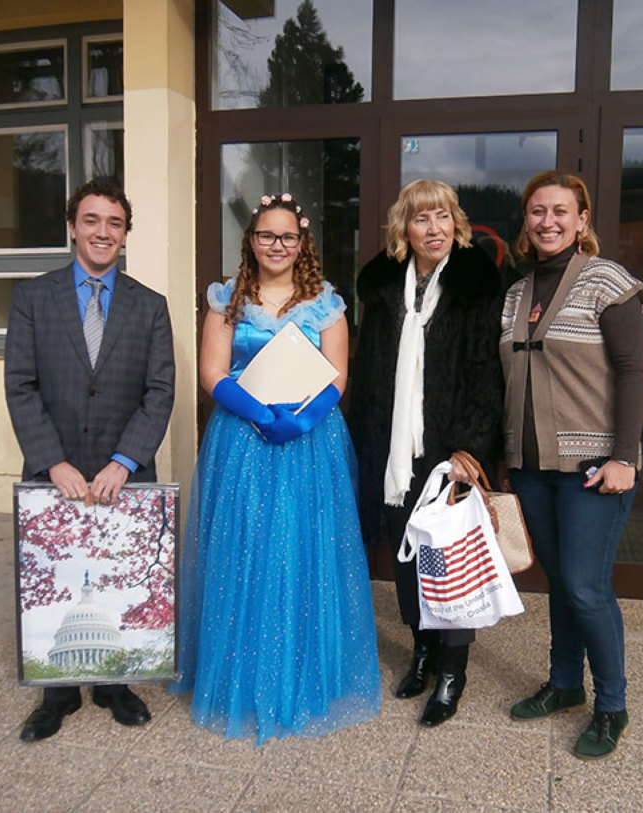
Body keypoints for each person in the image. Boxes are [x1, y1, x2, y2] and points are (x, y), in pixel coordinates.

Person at [170, 193, 381, 745]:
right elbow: (212, 373)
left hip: (310, 440)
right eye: (267, 235)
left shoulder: (326, 303)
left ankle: (304, 672)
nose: (277, 245)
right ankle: (241, 675)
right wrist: (260, 414)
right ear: (252, 241)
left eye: (288, 236)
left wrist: (301, 418)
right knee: (246, 548)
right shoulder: (227, 299)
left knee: (304, 547)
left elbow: (338, 375)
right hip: (243, 437)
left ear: (302, 242)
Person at [5, 179, 176, 742]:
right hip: (54, 471)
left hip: (124, 473)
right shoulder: (33, 298)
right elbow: (21, 385)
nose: (103, 232)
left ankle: (114, 685)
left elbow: (160, 391)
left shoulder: (150, 306)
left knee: (117, 578)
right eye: (92, 220)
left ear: (125, 235)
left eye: (115, 223)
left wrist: (125, 460)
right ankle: (56, 696)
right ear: (72, 228)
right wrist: (51, 461)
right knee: (58, 578)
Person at [500, 171, 643, 760]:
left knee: (586, 587)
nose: (548, 222)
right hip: (532, 466)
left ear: (582, 219)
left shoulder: (608, 281)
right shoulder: (516, 292)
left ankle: (612, 705)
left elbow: (633, 372)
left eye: (561, 211)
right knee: (560, 582)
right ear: (526, 219)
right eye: (538, 211)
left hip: (594, 465)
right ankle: (564, 685)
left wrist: (624, 457)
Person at [348, 179, 505, 727]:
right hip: (393, 449)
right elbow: (370, 371)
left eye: (442, 217)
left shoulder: (474, 283)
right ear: (404, 229)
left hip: (448, 447)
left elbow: (486, 372)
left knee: (449, 558)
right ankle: (422, 650)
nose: (433, 228)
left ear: (456, 224)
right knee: (407, 556)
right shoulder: (386, 288)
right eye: (421, 219)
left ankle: (453, 671)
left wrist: (469, 448)